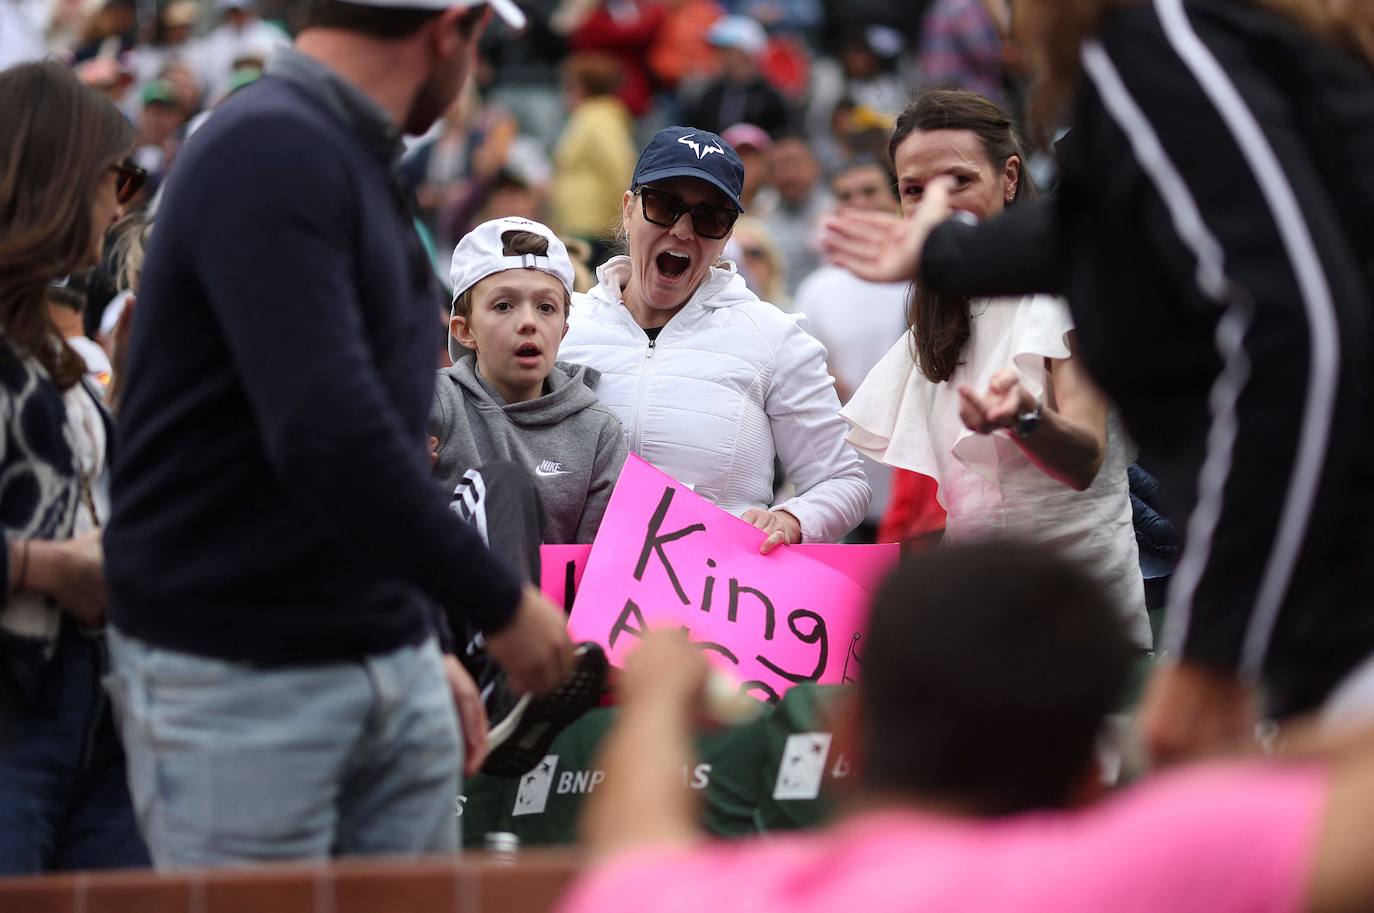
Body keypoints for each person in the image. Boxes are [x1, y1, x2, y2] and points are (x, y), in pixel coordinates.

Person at [823, 0, 1374, 760]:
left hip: (1313, 579)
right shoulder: (1140, 71)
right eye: (916, 189)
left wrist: (1216, 646)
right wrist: (942, 257)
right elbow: (1100, 228)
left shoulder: (1155, 35)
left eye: (958, 179)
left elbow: (1297, 327)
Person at [103, 0, 576, 870]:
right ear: (450, 30)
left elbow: (370, 442)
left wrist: (411, 640)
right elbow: (329, 433)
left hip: (372, 654)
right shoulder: (272, 146)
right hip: (244, 672)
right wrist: (500, 603)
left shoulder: (334, 152)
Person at [559, 540, 1374, 913]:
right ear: (1095, 772)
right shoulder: (1150, 867)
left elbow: (634, 842)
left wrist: (663, 693)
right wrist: (1241, 758)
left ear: (847, 737)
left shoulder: (703, 895)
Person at [838, 89, 1150, 647]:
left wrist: (1026, 418)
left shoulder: (1057, 289)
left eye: (959, 181)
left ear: (1009, 178)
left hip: (1082, 619)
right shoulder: (929, 325)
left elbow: (1085, 459)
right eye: (915, 190)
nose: (939, 204)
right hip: (977, 621)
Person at [560, 126, 870, 554]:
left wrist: (791, 519)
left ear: (728, 235)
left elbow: (842, 481)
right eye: (664, 206)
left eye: (710, 218)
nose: (683, 232)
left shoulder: (774, 336)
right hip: (573, 601)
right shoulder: (562, 323)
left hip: (710, 602)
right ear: (629, 208)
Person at [0, 60, 148, 875]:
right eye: (116, 178)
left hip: (96, 707)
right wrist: (47, 566)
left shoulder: (57, 348)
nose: (122, 201)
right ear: (59, 180)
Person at [434, 217, 628, 547]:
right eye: (504, 305)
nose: (528, 322)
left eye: (546, 307)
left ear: (564, 330)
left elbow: (596, 569)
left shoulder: (599, 434)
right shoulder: (432, 401)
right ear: (464, 330)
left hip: (553, 599)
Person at [550, 52, 637, 266]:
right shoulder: (589, 118)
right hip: (583, 224)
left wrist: (624, 219)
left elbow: (618, 169)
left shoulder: (598, 120)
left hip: (593, 227)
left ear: (581, 88)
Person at [756, 134, 829, 296]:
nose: (787, 174)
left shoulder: (836, 208)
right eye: (778, 167)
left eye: (794, 164)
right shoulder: (760, 213)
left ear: (815, 166)